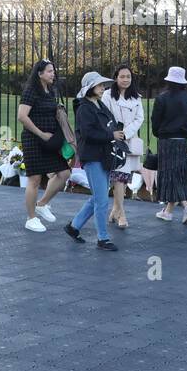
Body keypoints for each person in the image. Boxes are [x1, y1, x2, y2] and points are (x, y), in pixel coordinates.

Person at [63, 71, 125, 251]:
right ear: (90, 88)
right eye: (99, 85)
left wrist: (115, 132)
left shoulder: (98, 104)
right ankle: (103, 238)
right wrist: (111, 134)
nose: (102, 87)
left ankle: (74, 227)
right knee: (101, 200)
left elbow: (109, 124)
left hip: (102, 155)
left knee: (99, 196)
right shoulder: (84, 108)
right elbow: (88, 133)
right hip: (92, 156)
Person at [16, 59, 76, 233]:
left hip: (50, 142)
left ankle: (41, 204)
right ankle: (31, 217)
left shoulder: (50, 91)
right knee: (34, 179)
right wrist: (41, 133)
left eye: (53, 71)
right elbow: (22, 116)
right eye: (49, 71)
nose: (53, 74)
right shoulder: (30, 91)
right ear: (40, 74)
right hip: (33, 140)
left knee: (64, 172)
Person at [101, 64, 143, 230]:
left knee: (123, 178)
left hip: (129, 140)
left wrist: (126, 132)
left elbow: (140, 118)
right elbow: (104, 116)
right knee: (119, 176)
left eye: (128, 77)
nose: (125, 80)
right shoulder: (107, 96)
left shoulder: (136, 97)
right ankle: (121, 214)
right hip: (113, 140)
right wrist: (115, 133)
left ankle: (114, 211)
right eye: (122, 76)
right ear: (116, 78)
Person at [152, 66, 187, 223]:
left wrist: (159, 133)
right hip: (182, 140)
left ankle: (186, 206)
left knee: (171, 175)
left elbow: (155, 123)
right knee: (178, 173)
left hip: (166, 140)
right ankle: (168, 212)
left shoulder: (162, 98)